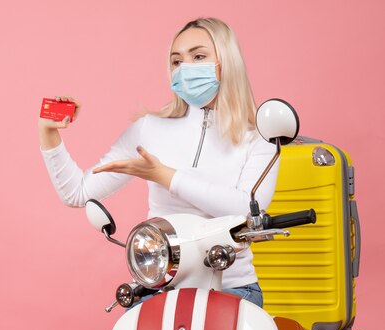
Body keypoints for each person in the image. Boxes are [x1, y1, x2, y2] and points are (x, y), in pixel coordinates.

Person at [37, 17, 278, 308]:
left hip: (233, 290)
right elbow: (76, 193)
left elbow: (247, 213)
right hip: (160, 289)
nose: (185, 68)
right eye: (176, 61)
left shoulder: (260, 138)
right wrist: (48, 132)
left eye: (198, 56)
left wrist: (165, 176)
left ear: (227, 62)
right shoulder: (149, 129)